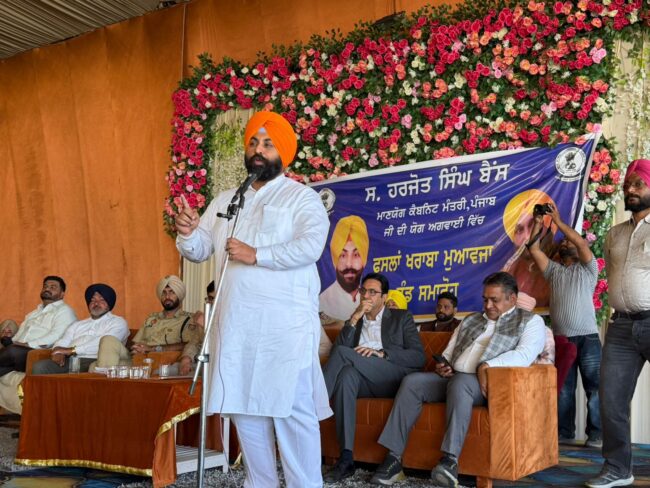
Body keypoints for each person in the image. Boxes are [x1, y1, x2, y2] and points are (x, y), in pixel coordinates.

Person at [175, 111, 331, 488]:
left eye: (268, 144)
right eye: (253, 143)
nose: (258, 150)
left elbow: (311, 246)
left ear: (284, 153)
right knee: (244, 409)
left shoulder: (302, 198)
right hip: (237, 327)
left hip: (284, 330)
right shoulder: (226, 200)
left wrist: (257, 254)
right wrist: (189, 233)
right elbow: (200, 249)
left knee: (291, 413)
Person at [370, 272, 545, 487]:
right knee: (412, 382)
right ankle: (393, 459)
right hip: (454, 377)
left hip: (486, 383)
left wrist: (487, 365)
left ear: (512, 299)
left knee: (461, 384)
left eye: (494, 300)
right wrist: (444, 365)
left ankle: (449, 461)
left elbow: (525, 355)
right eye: (485, 299)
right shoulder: (471, 319)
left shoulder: (530, 321)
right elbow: (450, 351)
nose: (488, 305)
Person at [322, 273, 425, 482]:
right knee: (346, 377)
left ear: (384, 297)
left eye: (372, 292)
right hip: (364, 377)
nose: (366, 296)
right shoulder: (356, 321)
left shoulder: (401, 317)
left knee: (343, 353)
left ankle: (314, 404)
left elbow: (418, 357)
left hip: (391, 375)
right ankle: (346, 458)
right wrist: (354, 318)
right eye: (363, 291)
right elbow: (336, 353)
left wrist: (382, 354)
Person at [586, 159, 650, 488]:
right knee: (610, 398)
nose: (631, 189)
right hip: (622, 327)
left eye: (639, 184)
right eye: (627, 185)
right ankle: (618, 468)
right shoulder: (614, 234)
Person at [527, 202, 601, 447]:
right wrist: (538, 223)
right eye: (564, 242)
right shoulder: (553, 271)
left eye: (570, 242)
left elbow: (582, 244)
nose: (567, 243)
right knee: (564, 390)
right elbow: (533, 248)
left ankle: (597, 435)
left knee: (595, 388)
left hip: (588, 338)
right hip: (562, 339)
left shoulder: (589, 269)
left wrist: (558, 222)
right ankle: (565, 433)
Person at [95, 275, 200, 375]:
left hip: (159, 364)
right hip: (137, 360)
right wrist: (136, 347)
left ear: (179, 295)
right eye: (164, 293)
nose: (167, 296)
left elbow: (189, 344)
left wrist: (152, 348)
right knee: (108, 340)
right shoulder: (152, 318)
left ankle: (106, 382)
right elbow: (136, 342)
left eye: (172, 292)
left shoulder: (188, 319)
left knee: (95, 368)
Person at [32, 284, 129, 374]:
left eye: (102, 300)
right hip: (70, 360)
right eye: (92, 300)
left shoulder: (118, 322)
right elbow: (63, 341)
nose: (96, 303)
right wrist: (57, 352)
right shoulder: (77, 325)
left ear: (109, 304)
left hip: (96, 360)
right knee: (40, 366)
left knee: (93, 366)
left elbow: (105, 346)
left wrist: (72, 350)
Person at [0, 276, 76, 376]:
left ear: (62, 294)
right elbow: (20, 334)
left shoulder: (65, 311)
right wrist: (10, 340)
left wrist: (26, 344)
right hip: (18, 351)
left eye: (52, 287)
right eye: (45, 286)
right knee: (7, 360)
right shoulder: (33, 313)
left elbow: (56, 336)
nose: (47, 289)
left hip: (39, 353)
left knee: (12, 351)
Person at [319, 215, 369, 321]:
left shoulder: (369, 299)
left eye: (356, 255)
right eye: (342, 255)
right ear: (334, 259)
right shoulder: (322, 302)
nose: (349, 264)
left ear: (364, 258)